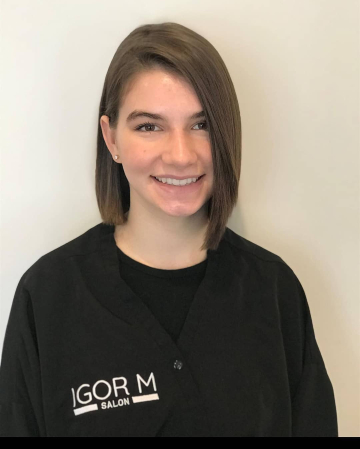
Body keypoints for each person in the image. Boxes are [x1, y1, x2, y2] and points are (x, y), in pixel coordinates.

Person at [0, 22, 338, 437]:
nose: (181, 155)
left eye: (201, 125)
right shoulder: (48, 297)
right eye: (149, 126)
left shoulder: (273, 291)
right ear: (112, 139)